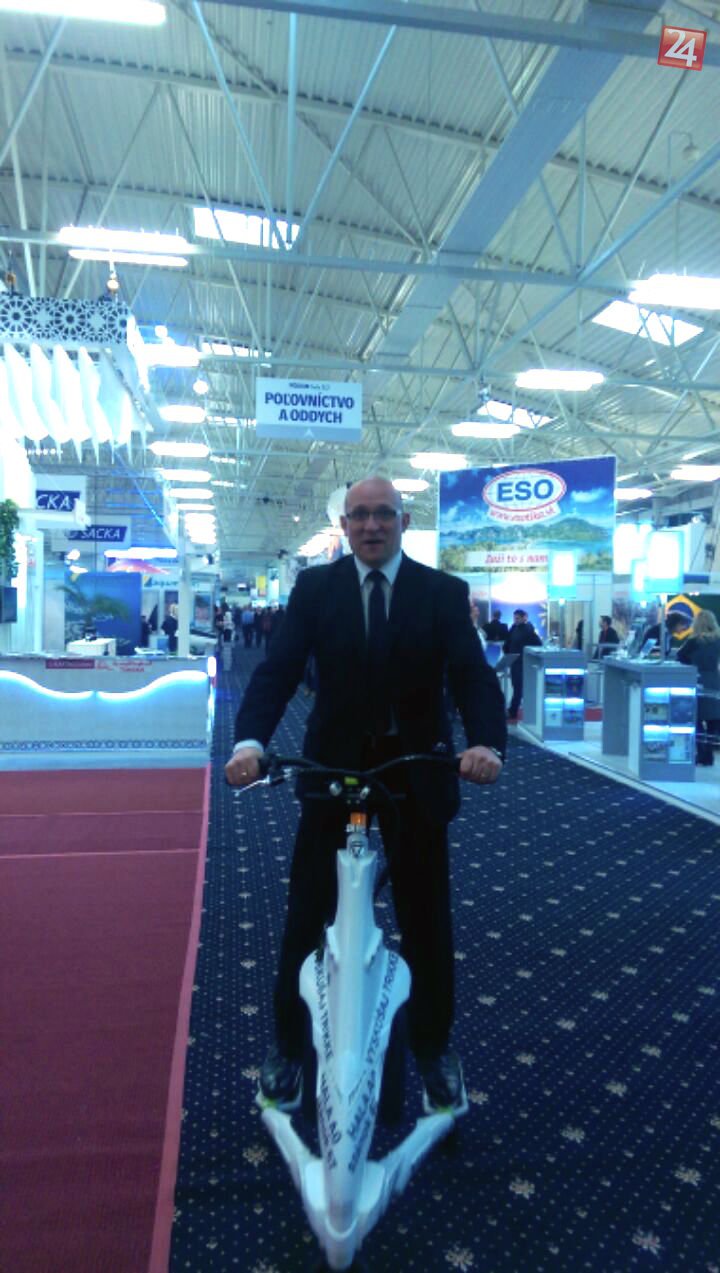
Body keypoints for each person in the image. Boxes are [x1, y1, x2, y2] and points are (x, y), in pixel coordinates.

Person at [225, 476, 506, 1112]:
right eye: (359, 515)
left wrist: (487, 743)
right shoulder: (315, 589)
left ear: (404, 522)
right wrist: (249, 742)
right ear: (345, 525)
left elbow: (471, 676)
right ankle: (288, 1046)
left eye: (383, 514)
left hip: (416, 772)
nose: (371, 525)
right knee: (307, 913)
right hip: (332, 768)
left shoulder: (441, 592)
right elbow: (278, 671)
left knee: (426, 918)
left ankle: (432, 1048)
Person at [677, 609, 720, 766]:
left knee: (696, 719)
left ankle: (702, 753)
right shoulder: (718, 640)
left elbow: (680, 657)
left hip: (697, 680)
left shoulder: (693, 642)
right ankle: (709, 753)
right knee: (714, 720)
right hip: (715, 680)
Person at [503, 608, 542, 722]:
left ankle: (514, 711)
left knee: (519, 688)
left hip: (523, 663)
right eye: (514, 618)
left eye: (517, 618)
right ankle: (515, 710)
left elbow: (538, 643)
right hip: (514, 661)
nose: (515, 620)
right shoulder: (514, 628)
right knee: (516, 687)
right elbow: (507, 643)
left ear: (524, 617)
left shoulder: (528, 629)